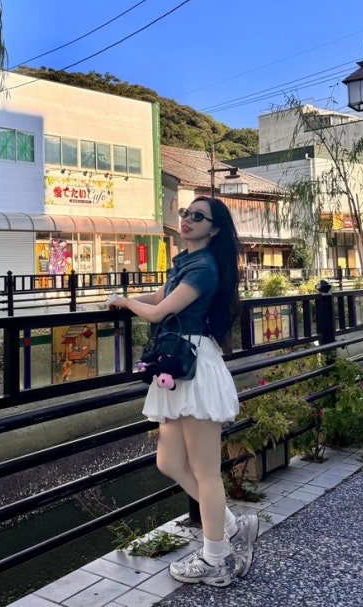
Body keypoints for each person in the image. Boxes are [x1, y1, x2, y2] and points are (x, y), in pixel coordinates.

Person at [109, 196, 258, 587]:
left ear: (214, 229)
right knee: (170, 461)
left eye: (198, 216)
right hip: (176, 365)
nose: (188, 220)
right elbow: (161, 298)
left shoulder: (205, 267)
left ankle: (216, 559)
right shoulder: (186, 262)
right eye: (185, 214)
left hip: (194, 365)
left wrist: (126, 302)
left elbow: (160, 313)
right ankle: (234, 527)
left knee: (205, 471)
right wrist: (125, 302)